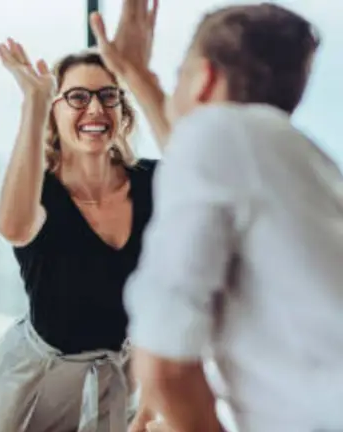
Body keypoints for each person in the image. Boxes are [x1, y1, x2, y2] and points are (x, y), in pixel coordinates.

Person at [91, 3, 343, 432]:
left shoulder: (218, 135)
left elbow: (164, 363)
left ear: (205, 78)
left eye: (179, 75)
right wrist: (137, 75)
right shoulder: (301, 161)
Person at [0, 2, 163, 428]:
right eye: (78, 97)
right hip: (38, 380)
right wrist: (34, 101)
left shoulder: (154, 182)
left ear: (123, 110)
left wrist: (148, 409)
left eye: (108, 96)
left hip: (120, 375)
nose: (96, 110)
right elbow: (13, 227)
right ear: (55, 112)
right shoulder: (39, 190)